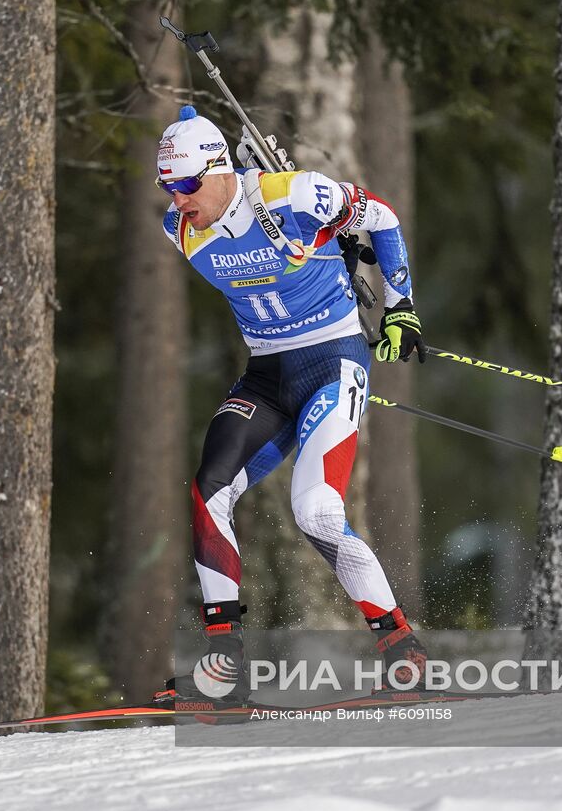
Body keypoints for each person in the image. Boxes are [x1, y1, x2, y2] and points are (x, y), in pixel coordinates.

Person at [150, 105, 428, 705]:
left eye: (188, 184)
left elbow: (381, 216)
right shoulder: (179, 230)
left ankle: (401, 648)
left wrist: (399, 303)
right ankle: (224, 666)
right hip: (266, 375)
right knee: (208, 491)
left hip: (333, 360)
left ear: (220, 169)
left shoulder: (291, 194)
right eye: (167, 187)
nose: (178, 200)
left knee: (316, 510)